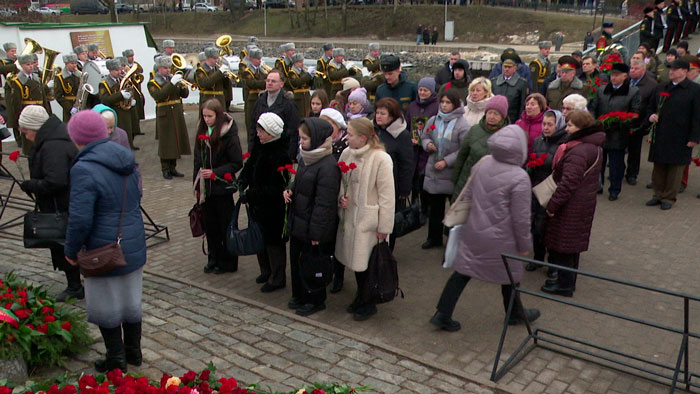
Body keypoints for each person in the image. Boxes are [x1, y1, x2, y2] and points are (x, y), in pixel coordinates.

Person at [429, 125, 539, 332]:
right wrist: (525, 244)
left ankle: (442, 313)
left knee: (463, 271)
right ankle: (515, 313)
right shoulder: (520, 177)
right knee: (511, 274)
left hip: (475, 230)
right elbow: (521, 218)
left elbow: (468, 194)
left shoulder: (483, 163)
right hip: (504, 237)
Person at [64, 110, 146, 373]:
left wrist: (71, 249)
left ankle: (116, 359)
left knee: (106, 305)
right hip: (132, 241)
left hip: (103, 246)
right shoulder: (126, 159)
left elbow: (79, 218)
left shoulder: (84, 168)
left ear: (77, 138)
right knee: (131, 301)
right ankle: (134, 352)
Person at [16, 106, 82, 302]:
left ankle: (75, 286)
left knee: (64, 244)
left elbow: (56, 181)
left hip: (62, 206)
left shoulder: (53, 145)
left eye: (25, 131)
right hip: (62, 204)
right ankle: (75, 284)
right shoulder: (53, 139)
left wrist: (32, 185)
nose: (25, 136)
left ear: (34, 128)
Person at [335, 117, 395, 321]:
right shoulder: (346, 153)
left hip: (370, 221)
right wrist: (341, 198)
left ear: (362, 137)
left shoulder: (380, 159)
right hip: (350, 216)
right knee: (355, 261)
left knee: (369, 263)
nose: (346, 137)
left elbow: (388, 196)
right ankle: (361, 296)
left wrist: (384, 226)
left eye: (350, 134)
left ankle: (369, 302)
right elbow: (341, 182)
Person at [541, 110, 604, 297]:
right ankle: (567, 282)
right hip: (583, 203)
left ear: (581, 128)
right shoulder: (594, 146)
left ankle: (564, 286)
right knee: (572, 247)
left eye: (570, 125)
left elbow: (568, 182)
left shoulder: (578, 150)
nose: (566, 128)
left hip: (571, 205)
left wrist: (552, 206)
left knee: (564, 247)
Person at [284, 118, 341, 316]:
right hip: (300, 220)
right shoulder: (307, 158)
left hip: (313, 226)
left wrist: (316, 233)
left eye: (305, 138)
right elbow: (300, 180)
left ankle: (316, 299)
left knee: (313, 262)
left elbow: (324, 204)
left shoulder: (327, 166)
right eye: (300, 138)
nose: (301, 142)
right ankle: (300, 294)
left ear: (316, 138)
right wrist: (290, 189)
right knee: (299, 260)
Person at [239, 112, 292, 292]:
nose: (258, 133)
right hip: (257, 205)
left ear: (271, 132)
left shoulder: (280, 154)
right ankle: (265, 270)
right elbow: (250, 165)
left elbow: (275, 188)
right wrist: (242, 180)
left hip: (272, 208)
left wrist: (252, 194)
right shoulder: (260, 146)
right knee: (259, 239)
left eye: (262, 130)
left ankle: (277, 277)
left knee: (273, 242)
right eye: (258, 129)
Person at [193, 99, 243, 275]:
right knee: (210, 226)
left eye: (210, 116)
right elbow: (197, 161)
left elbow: (237, 162)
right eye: (204, 116)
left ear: (218, 115)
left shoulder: (229, 134)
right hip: (206, 189)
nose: (206, 119)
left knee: (224, 226)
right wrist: (197, 186)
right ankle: (213, 258)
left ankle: (228, 261)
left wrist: (216, 172)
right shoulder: (202, 131)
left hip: (222, 188)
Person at [645, 59, 700, 209]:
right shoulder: (661, 87)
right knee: (659, 166)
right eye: (671, 69)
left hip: (681, 136)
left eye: (675, 69)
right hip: (661, 133)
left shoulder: (694, 90)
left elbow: (697, 116)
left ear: (684, 71)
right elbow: (650, 107)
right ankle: (657, 194)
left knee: (675, 169)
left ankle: (669, 198)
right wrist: (651, 116)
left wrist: (695, 137)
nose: (671, 71)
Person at [420, 90, 470, 250]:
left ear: (455, 104)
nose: (444, 105)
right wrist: (427, 144)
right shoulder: (435, 120)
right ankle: (433, 237)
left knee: (454, 209)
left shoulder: (463, 125)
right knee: (435, 208)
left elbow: (463, 149)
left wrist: (446, 162)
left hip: (451, 173)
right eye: (442, 102)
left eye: (448, 102)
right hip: (435, 171)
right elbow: (425, 136)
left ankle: (454, 241)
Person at [525, 109, 567, 274]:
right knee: (536, 224)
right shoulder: (537, 141)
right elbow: (533, 159)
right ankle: (537, 258)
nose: (546, 127)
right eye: (544, 124)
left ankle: (552, 263)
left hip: (552, 188)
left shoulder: (563, 144)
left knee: (549, 227)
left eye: (550, 124)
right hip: (536, 186)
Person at [592, 63, 641, 201]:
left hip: (618, 134)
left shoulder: (632, 92)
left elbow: (635, 112)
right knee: (599, 163)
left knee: (616, 165)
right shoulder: (601, 90)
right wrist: (595, 122)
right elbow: (593, 108)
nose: (613, 78)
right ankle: (598, 185)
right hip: (601, 132)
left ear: (625, 76)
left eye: (617, 75)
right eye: (612, 75)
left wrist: (622, 122)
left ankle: (614, 189)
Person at [373, 98, 414, 250]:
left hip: (393, 184)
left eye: (383, 113)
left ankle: (387, 250)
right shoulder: (374, 131)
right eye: (377, 112)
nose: (378, 116)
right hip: (374, 183)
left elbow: (407, 164)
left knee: (389, 219)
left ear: (392, 115)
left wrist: (404, 190)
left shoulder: (402, 135)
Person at [451, 95, 509, 202]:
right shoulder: (475, 130)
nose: (492, 116)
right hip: (467, 181)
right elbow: (462, 156)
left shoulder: (508, 135)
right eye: (489, 112)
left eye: (496, 114)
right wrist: (455, 180)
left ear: (503, 116)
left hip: (491, 187)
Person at [148, 55, 192, 179]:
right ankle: (165, 169)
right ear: (159, 69)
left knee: (176, 140)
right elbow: (159, 95)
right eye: (165, 68)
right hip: (165, 114)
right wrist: (172, 83)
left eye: (169, 67)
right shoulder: (153, 82)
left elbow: (184, 95)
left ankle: (173, 167)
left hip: (176, 113)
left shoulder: (173, 79)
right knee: (166, 142)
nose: (168, 70)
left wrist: (183, 86)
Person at [6, 53, 52, 153]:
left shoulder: (37, 79)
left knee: (43, 142)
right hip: (28, 114)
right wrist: (19, 120)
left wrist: (47, 114)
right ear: (21, 65)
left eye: (31, 64)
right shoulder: (17, 81)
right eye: (27, 64)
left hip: (40, 112)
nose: (31, 66)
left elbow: (43, 99)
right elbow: (16, 104)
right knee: (30, 145)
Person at [249, 69, 300, 160]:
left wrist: (290, 156)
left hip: (280, 151)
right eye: (268, 81)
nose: (269, 83)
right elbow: (253, 127)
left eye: (273, 81)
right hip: (260, 150)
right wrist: (251, 150)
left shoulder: (288, 103)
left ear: (281, 84)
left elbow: (293, 131)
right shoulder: (260, 101)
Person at [406, 77, 439, 212]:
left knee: (424, 179)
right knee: (414, 178)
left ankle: (426, 208)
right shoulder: (413, 105)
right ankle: (414, 205)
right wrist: (410, 138)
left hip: (428, 149)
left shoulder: (436, 106)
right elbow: (407, 124)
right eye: (420, 90)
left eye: (425, 90)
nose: (422, 93)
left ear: (431, 91)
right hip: (414, 149)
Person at [626, 60, 658, 186]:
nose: (632, 70)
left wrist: (645, 124)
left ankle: (632, 173)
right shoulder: (626, 81)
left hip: (638, 123)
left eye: (636, 68)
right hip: (622, 120)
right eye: (631, 68)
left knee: (634, 150)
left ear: (643, 70)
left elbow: (651, 106)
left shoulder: (651, 85)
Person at [98, 59, 137, 150]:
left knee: (128, 130)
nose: (119, 72)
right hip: (115, 111)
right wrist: (120, 95)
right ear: (110, 71)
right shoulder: (104, 83)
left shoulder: (122, 79)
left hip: (125, 111)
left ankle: (129, 146)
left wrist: (130, 98)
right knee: (118, 134)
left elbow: (130, 89)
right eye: (116, 70)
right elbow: (104, 99)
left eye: (119, 69)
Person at [238, 47, 267, 137]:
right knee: (251, 124)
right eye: (257, 59)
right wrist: (265, 82)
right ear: (251, 59)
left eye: (260, 59)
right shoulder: (247, 72)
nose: (259, 61)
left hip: (261, 99)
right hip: (252, 99)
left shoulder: (260, 70)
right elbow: (252, 84)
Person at [491, 55, 529, 122]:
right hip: (496, 118)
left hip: (512, 118)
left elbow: (522, 104)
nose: (507, 69)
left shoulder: (522, 83)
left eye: (509, 67)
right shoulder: (494, 82)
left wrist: (520, 120)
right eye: (505, 67)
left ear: (515, 68)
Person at [54, 54, 81, 123]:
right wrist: (70, 108)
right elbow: (58, 96)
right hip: (69, 108)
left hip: (81, 106)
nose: (74, 65)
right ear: (66, 64)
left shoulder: (80, 75)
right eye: (72, 63)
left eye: (75, 63)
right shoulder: (60, 77)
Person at [288, 53, 313, 118]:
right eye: (300, 62)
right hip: (298, 97)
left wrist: (312, 77)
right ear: (295, 63)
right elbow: (297, 82)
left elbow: (310, 85)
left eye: (302, 62)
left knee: (307, 113)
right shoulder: (292, 72)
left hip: (306, 96)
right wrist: (308, 75)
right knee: (299, 115)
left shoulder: (304, 71)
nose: (302, 64)